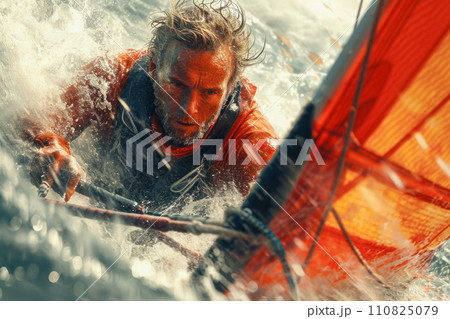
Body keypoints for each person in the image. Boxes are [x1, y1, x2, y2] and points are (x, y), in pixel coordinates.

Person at [21, 0, 278, 209]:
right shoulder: (111, 78)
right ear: (154, 68)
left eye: (210, 92)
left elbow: (291, 213)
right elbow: (33, 118)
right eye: (177, 84)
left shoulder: (249, 135)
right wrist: (51, 145)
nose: (190, 109)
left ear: (231, 87)